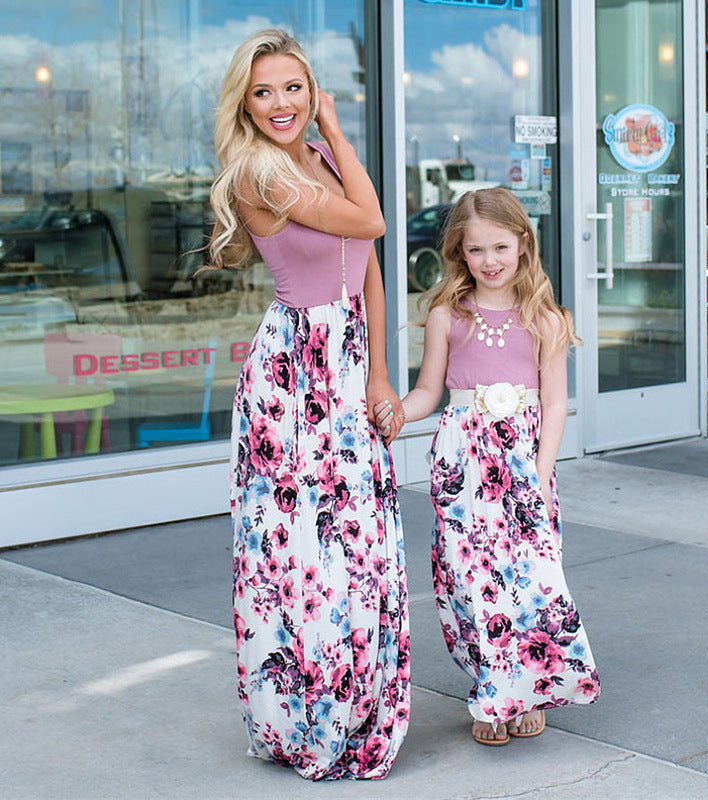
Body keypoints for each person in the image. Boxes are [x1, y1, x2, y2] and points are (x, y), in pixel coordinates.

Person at [207, 29, 409, 779]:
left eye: (293, 87)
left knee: (358, 543)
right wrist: (334, 126)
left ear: (311, 86)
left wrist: (382, 374)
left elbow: (371, 271)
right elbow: (374, 220)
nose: (279, 103)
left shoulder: (314, 162)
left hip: (346, 366)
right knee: (300, 550)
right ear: (245, 105)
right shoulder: (261, 172)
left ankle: (356, 703)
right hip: (293, 381)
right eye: (263, 92)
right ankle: (304, 717)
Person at [390, 188, 600, 746]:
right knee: (473, 581)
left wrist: (540, 471)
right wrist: (391, 414)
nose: (489, 260)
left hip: (524, 463)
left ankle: (527, 687)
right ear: (460, 252)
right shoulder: (446, 314)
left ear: (523, 244)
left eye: (500, 247)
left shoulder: (546, 319)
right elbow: (428, 392)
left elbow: (555, 402)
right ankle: (493, 689)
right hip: (462, 464)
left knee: (532, 579)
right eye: (476, 249)